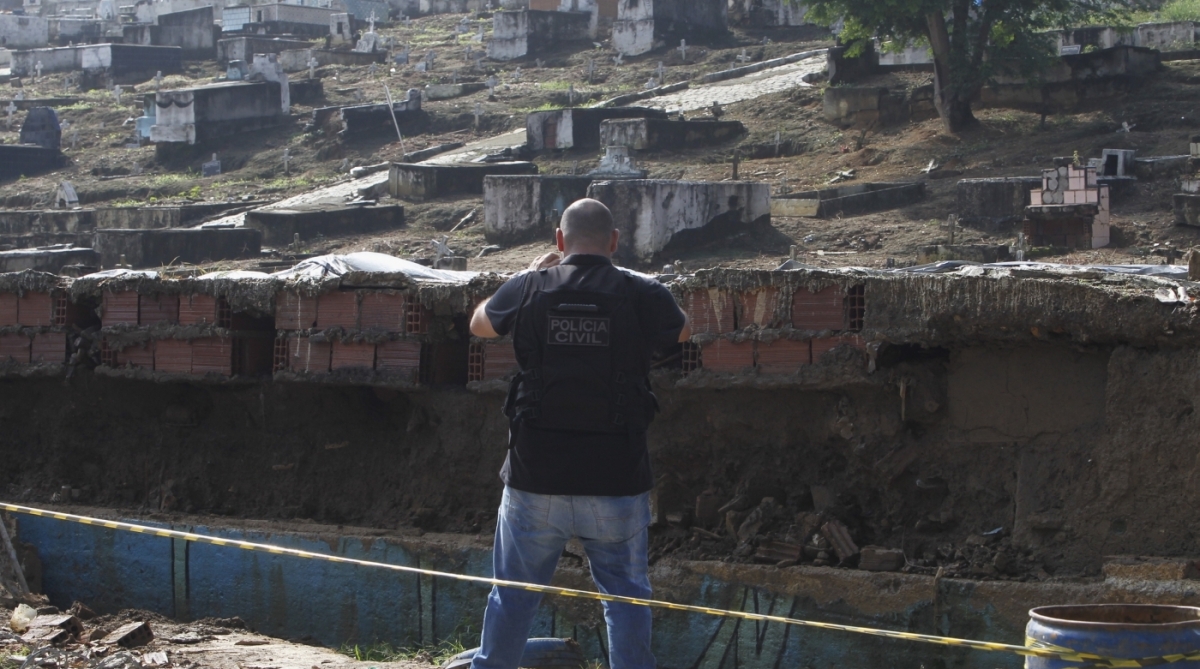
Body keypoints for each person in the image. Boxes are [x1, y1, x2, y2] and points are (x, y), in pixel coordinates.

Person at [468, 199, 691, 669]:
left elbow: (480, 324)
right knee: (626, 598)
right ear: (614, 241)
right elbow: (684, 332)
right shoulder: (643, 290)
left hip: (535, 478)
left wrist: (528, 274)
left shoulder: (530, 286)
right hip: (616, 479)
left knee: (513, 596)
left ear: (558, 241)